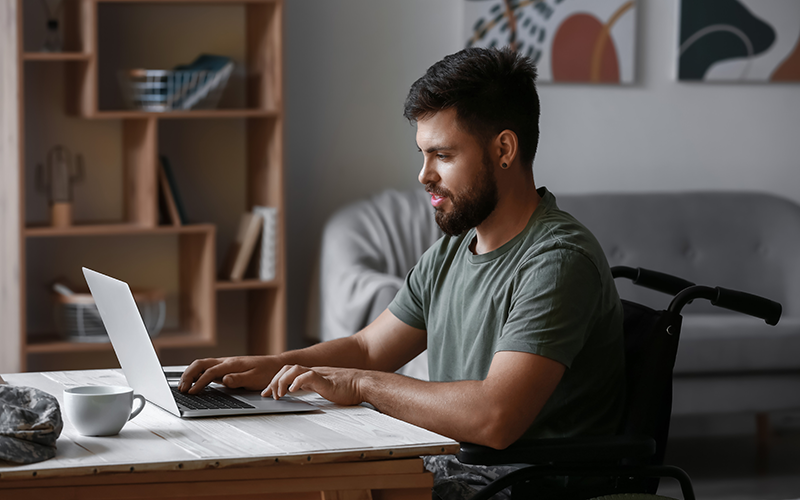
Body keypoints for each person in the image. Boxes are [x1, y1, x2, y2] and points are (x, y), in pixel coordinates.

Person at [180, 47, 625, 499]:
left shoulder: (557, 261)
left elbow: (495, 417)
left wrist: (358, 384)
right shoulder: (454, 248)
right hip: (460, 467)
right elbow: (368, 348)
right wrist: (269, 367)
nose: (423, 175)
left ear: (504, 149)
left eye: (442, 155)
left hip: (521, 485)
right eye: (423, 154)